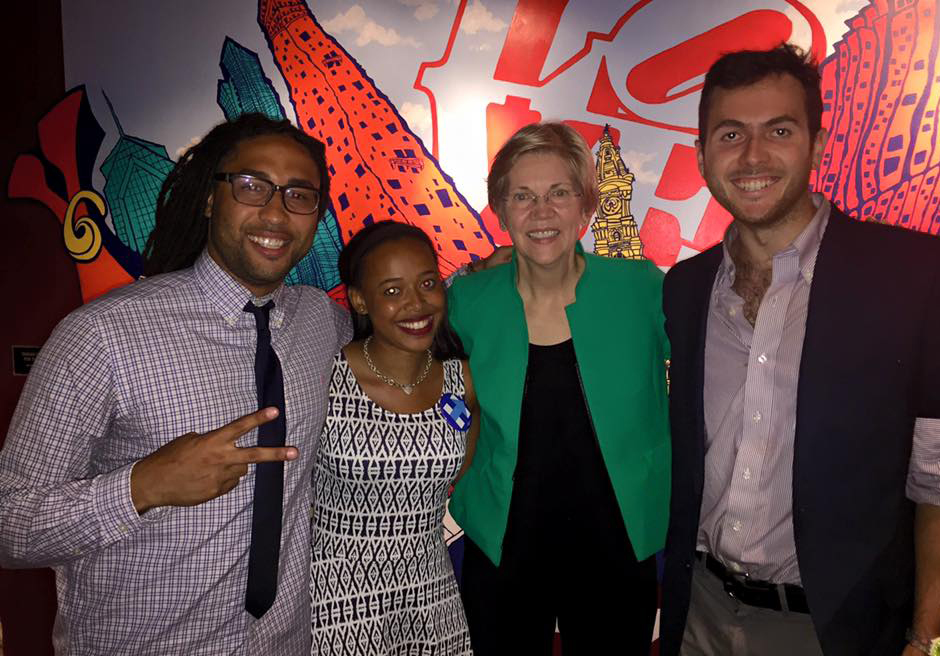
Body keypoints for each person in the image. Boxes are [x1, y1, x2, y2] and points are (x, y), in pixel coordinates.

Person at [0, 113, 352, 655]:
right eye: (252, 186)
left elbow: (409, 329)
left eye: (299, 195)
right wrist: (145, 485)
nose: (276, 213)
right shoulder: (101, 334)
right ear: (211, 197)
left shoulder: (323, 323)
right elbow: (9, 523)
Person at [660, 44, 940, 656]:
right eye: (730, 134)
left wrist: (929, 638)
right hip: (700, 614)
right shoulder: (684, 289)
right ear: (701, 155)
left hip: (837, 627)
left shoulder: (918, 276)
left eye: (778, 130)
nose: (752, 156)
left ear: (817, 145)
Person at [447, 121, 670, 655]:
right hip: (503, 549)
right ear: (500, 210)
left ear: (586, 206)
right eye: (522, 196)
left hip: (618, 547)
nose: (541, 212)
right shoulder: (466, 302)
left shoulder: (643, 288)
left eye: (559, 193)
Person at [310, 220, 476, 655]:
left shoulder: (460, 379)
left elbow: (461, 465)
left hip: (430, 591)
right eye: (391, 291)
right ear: (360, 300)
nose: (416, 304)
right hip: (335, 598)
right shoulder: (324, 376)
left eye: (427, 283)